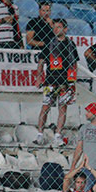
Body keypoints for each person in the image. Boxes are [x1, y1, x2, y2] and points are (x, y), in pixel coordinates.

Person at [35, 18, 78, 146]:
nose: (56, 29)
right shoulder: (49, 43)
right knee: (45, 107)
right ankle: (39, 134)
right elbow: (41, 61)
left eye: (59, 27)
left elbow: (74, 64)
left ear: (65, 29)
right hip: (50, 81)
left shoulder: (71, 44)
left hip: (65, 82)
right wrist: (39, 77)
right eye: (54, 27)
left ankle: (58, 135)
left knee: (62, 108)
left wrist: (73, 81)